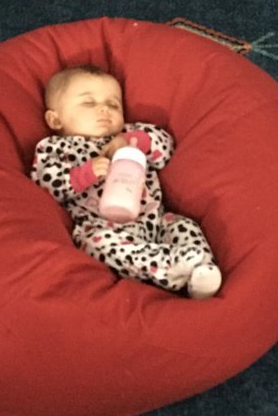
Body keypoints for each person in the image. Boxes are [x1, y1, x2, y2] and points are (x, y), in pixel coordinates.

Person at [30, 64, 222, 299]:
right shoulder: (56, 148)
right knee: (96, 245)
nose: (104, 109)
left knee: (185, 225)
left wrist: (130, 141)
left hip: (154, 221)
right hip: (103, 226)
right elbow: (46, 185)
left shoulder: (131, 134)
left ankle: (202, 272)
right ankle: (170, 268)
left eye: (113, 104)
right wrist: (84, 174)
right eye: (89, 103)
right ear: (55, 120)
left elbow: (165, 147)